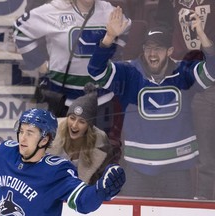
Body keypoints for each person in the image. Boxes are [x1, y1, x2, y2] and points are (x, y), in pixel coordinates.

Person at [87, 6, 215, 199]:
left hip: (177, 170)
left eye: (158, 49)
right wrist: (108, 38)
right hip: (137, 170)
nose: (152, 54)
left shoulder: (184, 73)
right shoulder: (129, 74)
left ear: (170, 50)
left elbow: (212, 71)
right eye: (148, 48)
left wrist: (202, 36)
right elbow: (95, 70)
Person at [0, 108, 125, 215]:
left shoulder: (57, 171)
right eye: (21, 131)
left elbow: (83, 202)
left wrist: (101, 191)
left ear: (45, 139)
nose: (22, 138)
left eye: (30, 133)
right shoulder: (6, 154)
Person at [13, 0, 131, 148]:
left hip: (100, 101)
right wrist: (41, 65)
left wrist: (114, 54)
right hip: (63, 100)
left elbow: (125, 28)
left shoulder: (109, 11)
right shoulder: (54, 10)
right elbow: (20, 30)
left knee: (98, 158)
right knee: (58, 155)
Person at [155, 0, 215, 200]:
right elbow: (161, 25)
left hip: (210, 76)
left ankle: (205, 200)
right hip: (180, 77)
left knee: (206, 151)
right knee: (185, 146)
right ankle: (194, 201)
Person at [47, 82, 121, 185]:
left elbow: (101, 183)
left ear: (89, 126)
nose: (74, 125)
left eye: (82, 121)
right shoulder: (50, 130)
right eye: (72, 118)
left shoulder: (101, 144)